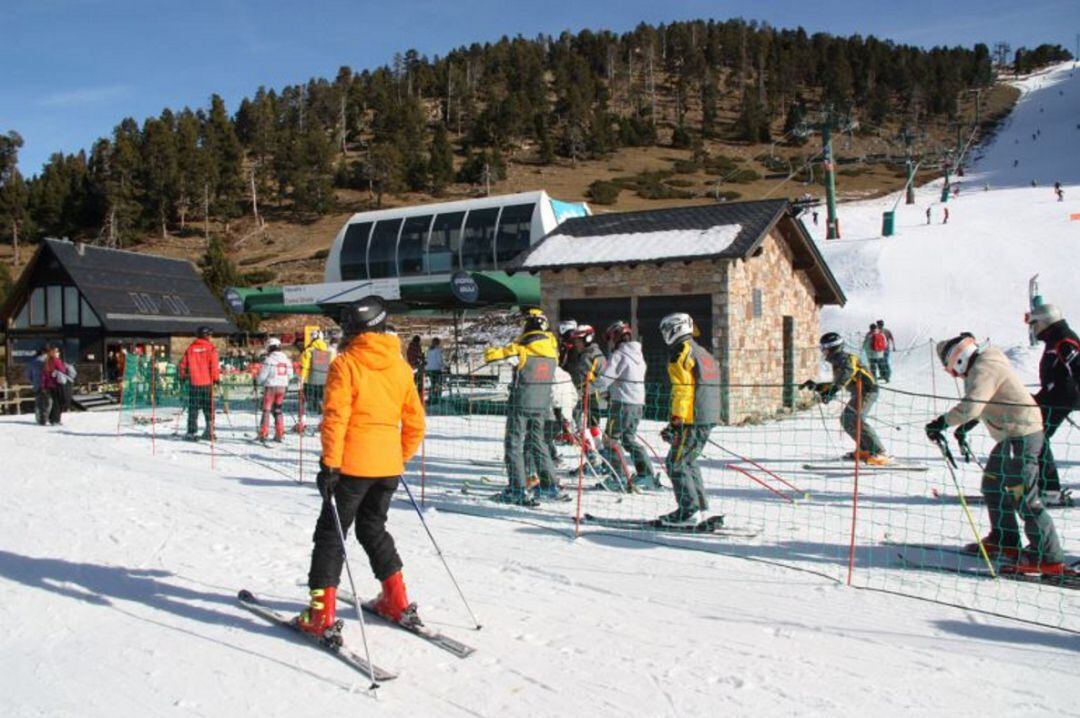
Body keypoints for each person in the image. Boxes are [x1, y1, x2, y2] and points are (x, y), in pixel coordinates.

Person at [295, 296, 426, 638]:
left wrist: (330, 465)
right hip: (387, 465)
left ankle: (320, 613)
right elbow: (416, 423)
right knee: (373, 528)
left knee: (331, 534)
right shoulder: (400, 366)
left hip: (352, 465)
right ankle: (396, 599)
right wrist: (398, 456)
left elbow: (336, 419)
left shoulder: (346, 364)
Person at [925, 334, 1065, 574]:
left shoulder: (983, 369)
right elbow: (986, 400)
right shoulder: (985, 364)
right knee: (992, 484)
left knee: (1023, 495)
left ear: (958, 359)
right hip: (1012, 435)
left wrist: (942, 422)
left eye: (951, 368)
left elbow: (972, 406)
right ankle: (1005, 538)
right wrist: (964, 426)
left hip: (1021, 436)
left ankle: (1048, 556)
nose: (954, 374)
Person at [483, 308, 560, 506]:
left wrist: (491, 349)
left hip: (521, 403)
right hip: (542, 404)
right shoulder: (553, 352)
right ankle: (550, 485)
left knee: (514, 445)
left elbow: (492, 357)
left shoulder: (521, 349)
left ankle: (517, 488)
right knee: (539, 443)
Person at [657, 312, 720, 526]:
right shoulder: (702, 352)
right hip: (707, 414)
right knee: (688, 461)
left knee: (675, 463)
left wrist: (676, 420)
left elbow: (683, 390)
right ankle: (700, 508)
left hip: (692, 416)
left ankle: (688, 511)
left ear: (675, 329)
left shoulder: (681, 353)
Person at [801, 332, 888, 465]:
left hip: (868, 391)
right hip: (859, 392)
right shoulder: (838, 362)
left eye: (824, 348)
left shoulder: (846, 359)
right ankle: (865, 449)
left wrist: (831, 392)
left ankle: (879, 452)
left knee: (854, 418)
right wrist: (817, 386)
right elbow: (837, 382)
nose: (823, 351)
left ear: (832, 348)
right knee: (846, 419)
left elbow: (846, 375)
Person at [592, 320, 657, 491]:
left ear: (615, 337)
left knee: (610, 439)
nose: (610, 343)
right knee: (628, 439)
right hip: (637, 403)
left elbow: (606, 378)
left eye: (610, 339)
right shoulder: (638, 355)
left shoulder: (619, 355)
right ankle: (646, 474)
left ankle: (618, 477)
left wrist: (590, 385)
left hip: (622, 404)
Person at [1026, 303, 1078, 506]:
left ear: (1045, 322)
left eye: (1035, 324)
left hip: (1063, 396)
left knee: (1036, 434)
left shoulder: (1064, 340)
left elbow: (1077, 368)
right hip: (1054, 395)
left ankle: (1049, 489)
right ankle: (1042, 484)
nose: (1034, 329)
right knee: (1033, 431)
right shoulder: (1056, 338)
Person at [569, 324, 606, 463]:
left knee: (592, 425)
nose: (576, 343)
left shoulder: (595, 355)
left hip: (591, 394)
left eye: (579, 340)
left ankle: (601, 455)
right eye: (575, 340)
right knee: (578, 425)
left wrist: (590, 385)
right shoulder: (582, 354)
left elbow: (602, 377)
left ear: (588, 339)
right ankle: (592, 455)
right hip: (580, 394)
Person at [178, 326, 221, 440]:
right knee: (208, 407)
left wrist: (182, 376)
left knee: (193, 408)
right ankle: (210, 430)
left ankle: (191, 432)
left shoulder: (191, 348)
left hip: (194, 383)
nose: (211, 337)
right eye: (210, 335)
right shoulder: (211, 348)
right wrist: (216, 378)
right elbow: (214, 365)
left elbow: (183, 364)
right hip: (207, 383)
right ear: (206, 335)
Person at [256, 337, 294, 442]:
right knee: (278, 409)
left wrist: (258, 381)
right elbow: (290, 375)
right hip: (283, 387)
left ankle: (263, 433)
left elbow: (262, 376)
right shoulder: (286, 359)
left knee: (266, 409)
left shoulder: (269, 360)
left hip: (271, 387)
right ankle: (279, 433)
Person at [300, 329, 333, 423]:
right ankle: (322, 422)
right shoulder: (328, 352)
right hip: (324, 381)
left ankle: (303, 422)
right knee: (322, 402)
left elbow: (305, 366)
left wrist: (302, 379)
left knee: (304, 401)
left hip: (310, 381)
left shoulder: (308, 351)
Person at [26, 346, 51, 426]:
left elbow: (28, 375)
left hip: (37, 384)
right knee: (48, 401)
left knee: (38, 402)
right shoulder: (49, 361)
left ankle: (39, 418)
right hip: (48, 384)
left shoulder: (32, 362)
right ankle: (47, 417)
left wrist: (33, 381)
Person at [424, 337, 446, 403]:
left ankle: (431, 397)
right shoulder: (437, 350)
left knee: (432, 384)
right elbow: (439, 361)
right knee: (438, 384)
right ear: (438, 343)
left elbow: (427, 360)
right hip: (436, 369)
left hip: (428, 369)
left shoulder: (429, 350)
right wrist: (444, 366)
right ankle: (437, 398)